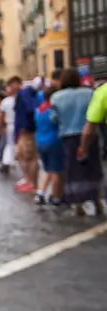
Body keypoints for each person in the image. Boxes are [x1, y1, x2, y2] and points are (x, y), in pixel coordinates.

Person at [51, 68, 100, 215]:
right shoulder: (89, 93)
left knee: (72, 170)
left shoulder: (56, 97)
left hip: (68, 136)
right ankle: (97, 201)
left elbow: (53, 118)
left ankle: (78, 204)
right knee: (92, 168)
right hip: (89, 135)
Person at [34, 87, 64, 206]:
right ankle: (56, 196)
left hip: (40, 141)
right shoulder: (53, 109)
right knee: (56, 170)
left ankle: (40, 193)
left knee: (46, 169)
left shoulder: (38, 109)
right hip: (54, 141)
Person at [14, 79, 40, 193]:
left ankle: (32, 183)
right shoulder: (28, 94)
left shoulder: (24, 93)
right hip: (25, 130)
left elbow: (29, 109)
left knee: (30, 157)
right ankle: (29, 181)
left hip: (27, 131)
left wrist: (27, 125)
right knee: (23, 156)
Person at [0, 78, 20, 175]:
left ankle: (7, 162)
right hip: (18, 126)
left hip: (10, 126)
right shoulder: (20, 99)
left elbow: (1, 117)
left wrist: (1, 127)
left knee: (10, 145)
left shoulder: (5, 102)